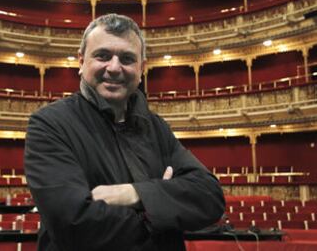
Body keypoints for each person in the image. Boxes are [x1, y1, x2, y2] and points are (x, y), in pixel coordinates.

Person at [24, 13, 225, 251]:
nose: (114, 68)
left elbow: (209, 196)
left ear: (142, 68)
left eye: (127, 59)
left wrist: (133, 193)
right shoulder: (49, 124)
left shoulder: (156, 127)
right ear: (81, 61)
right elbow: (74, 224)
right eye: (103, 56)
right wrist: (162, 210)